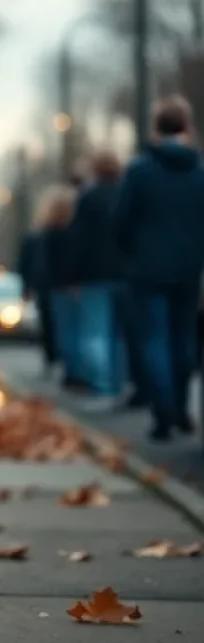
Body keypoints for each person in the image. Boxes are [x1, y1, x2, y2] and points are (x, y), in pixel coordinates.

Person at [114, 95, 204, 441]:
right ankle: (180, 409)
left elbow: (122, 221)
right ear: (187, 126)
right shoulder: (197, 171)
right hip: (189, 268)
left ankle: (164, 410)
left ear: (155, 128)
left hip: (147, 268)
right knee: (184, 340)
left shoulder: (140, 172)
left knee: (155, 340)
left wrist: (133, 252)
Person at [66, 150, 127, 405]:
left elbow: (78, 241)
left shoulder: (88, 198)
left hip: (93, 275)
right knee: (118, 334)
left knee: (95, 332)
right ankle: (117, 383)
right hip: (123, 273)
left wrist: (74, 276)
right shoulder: (124, 193)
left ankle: (101, 384)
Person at [38, 183, 84, 390]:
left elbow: (48, 264)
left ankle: (72, 372)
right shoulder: (75, 231)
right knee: (79, 330)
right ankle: (78, 372)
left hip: (59, 286)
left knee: (67, 331)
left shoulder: (50, 232)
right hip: (74, 285)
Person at [17, 222, 56, 376]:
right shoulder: (36, 238)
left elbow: (24, 264)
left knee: (49, 322)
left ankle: (52, 357)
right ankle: (52, 356)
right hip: (48, 285)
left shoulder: (37, 237)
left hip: (47, 284)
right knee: (49, 322)